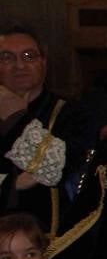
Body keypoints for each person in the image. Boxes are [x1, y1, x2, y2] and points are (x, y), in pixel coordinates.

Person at [0, 25, 95, 235]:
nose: (19, 65)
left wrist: (16, 118)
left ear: (43, 63)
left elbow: (63, 168)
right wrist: (15, 184)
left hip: (55, 243)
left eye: (29, 56)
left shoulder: (73, 114)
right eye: (7, 57)